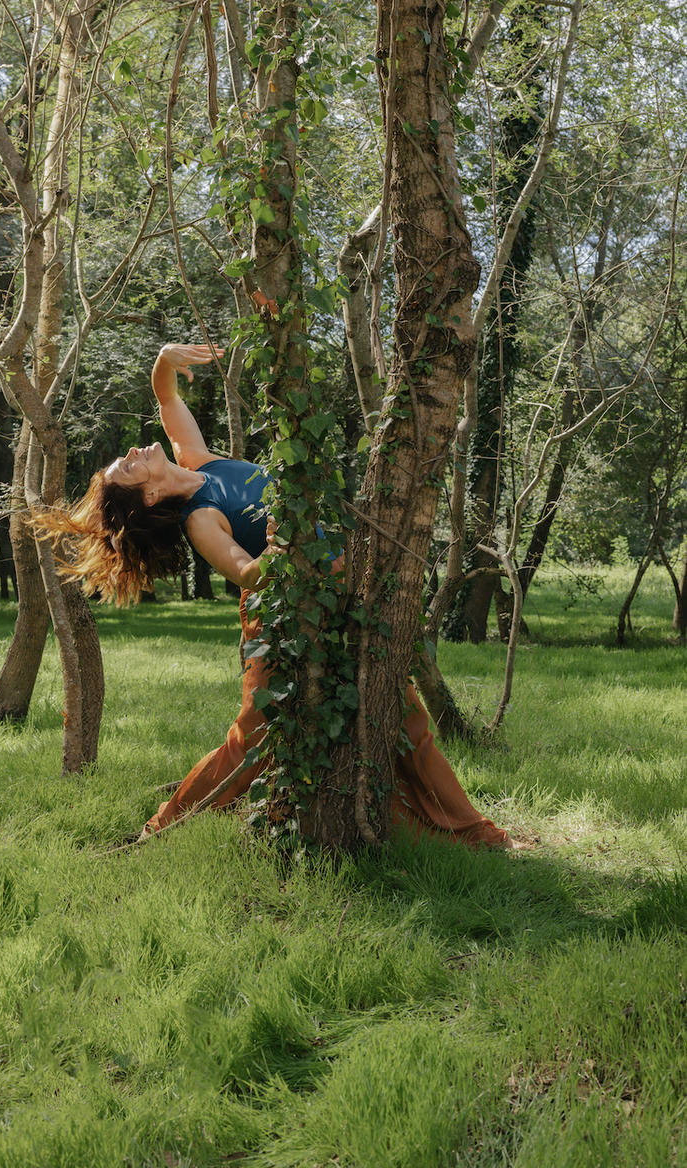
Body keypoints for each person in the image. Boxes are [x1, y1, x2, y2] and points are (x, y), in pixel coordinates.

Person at [40, 342, 514, 849]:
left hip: (342, 593)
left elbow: (168, 400)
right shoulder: (201, 519)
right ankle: (164, 827)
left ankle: (473, 832)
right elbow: (247, 574)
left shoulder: (201, 461)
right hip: (281, 617)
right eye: (128, 467)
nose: (133, 453)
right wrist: (280, 545)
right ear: (150, 495)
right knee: (254, 737)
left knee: (402, 713)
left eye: (126, 457)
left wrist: (163, 359)